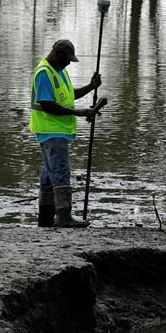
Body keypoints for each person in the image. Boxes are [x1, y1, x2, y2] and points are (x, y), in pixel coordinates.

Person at [29, 39, 101, 228]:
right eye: (67, 59)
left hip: (55, 132)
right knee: (61, 172)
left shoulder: (58, 71)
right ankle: (63, 216)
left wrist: (91, 86)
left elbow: (70, 95)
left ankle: (45, 220)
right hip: (51, 131)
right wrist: (79, 112)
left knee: (48, 176)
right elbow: (47, 104)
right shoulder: (44, 73)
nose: (69, 63)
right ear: (58, 54)